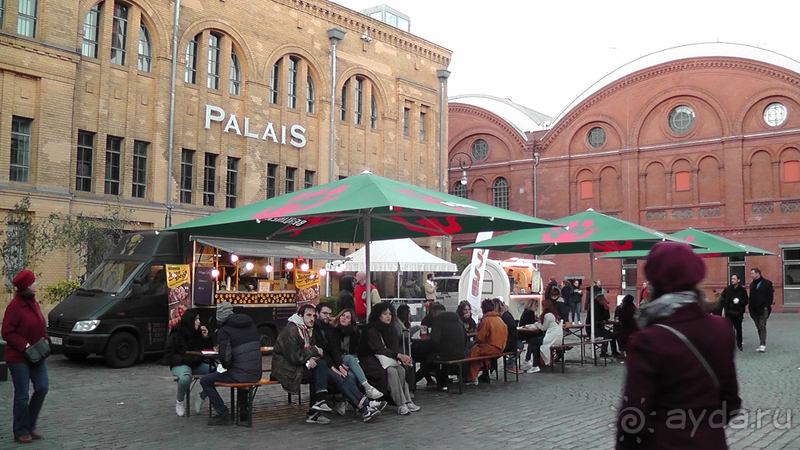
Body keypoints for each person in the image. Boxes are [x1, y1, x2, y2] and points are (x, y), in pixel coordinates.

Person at [616, 242, 741, 449]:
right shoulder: (722, 329)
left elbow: (633, 417)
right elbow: (731, 403)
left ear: (654, 280)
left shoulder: (648, 340)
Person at [312, 303, 385, 422]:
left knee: (347, 376)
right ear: (317, 313)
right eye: (325, 313)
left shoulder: (329, 328)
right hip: (319, 365)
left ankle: (362, 408)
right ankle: (366, 405)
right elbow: (320, 351)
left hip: (330, 363)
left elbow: (333, 349)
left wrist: (339, 365)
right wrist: (334, 366)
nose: (327, 316)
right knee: (343, 378)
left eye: (329, 314)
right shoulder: (314, 328)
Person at [2, 270, 49, 444]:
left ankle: (30, 424)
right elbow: (6, 332)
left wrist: (46, 339)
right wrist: (25, 345)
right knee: (22, 395)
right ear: (26, 287)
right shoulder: (14, 307)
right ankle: (21, 431)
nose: (36, 285)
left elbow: (40, 324)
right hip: (18, 357)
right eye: (33, 283)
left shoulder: (33, 303)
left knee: (42, 387)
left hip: (37, 355)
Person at [199, 302, 262, 426]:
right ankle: (243, 409)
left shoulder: (224, 330)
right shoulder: (250, 324)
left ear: (220, 317)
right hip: (256, 373)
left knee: (205, 380)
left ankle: (223, 414)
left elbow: (225, 360)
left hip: (240, 374)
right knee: (243, 370)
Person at [272, 304, 333, 424]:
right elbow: (296, 356)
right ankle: (316, 409)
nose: (312, 319)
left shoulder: (307, 330)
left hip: (297, 367)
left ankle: (317, 406)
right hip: (284, 370)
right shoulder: (291, 330)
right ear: (300, 316)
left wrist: (311, 358)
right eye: (308, 315)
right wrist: (314, 351)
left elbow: (307, 351)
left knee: (320, 366)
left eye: (314, 316)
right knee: (320, 371)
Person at [357, 302, 420, 415]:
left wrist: (400, 358)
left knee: (401, 369)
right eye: (385, 314)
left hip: (386, 358)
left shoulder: (391, 329)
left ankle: (407, 400)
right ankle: (400, 403)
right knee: (391, 371)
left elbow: (394, 348)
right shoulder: (371, 329)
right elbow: (378, 349)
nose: (388, 316)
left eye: (390, 314)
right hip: (370, 361)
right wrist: (398, 356)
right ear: (378, 315)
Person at [163, 309, 212, 417]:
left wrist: (206, 337)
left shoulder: (197, 333)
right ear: (190, 320)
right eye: (196, 319)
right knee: (185, 377)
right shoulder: (176, 334)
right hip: (180, 364)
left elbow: (206, 351)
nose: (199, 322)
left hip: (196, 363)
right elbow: (169, 356)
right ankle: (180, 400)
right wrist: (187, 359)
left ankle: (201, 396)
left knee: (216, 373)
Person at [329, 308, 383, 401]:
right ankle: (367, 387)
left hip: (348, 360)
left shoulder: (354, 333)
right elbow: (333, 350)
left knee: (351, 375)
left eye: (348, 317)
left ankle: (345, 402)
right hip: (335, 359)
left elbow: (354, 351)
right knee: (349, 358)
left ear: (350, 321)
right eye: (342, 315)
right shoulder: (333, 330)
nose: (344, 318)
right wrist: (340, 363)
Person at [415, 303, 467, 387]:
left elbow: (434, 340)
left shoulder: (438, 321)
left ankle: (413, 381)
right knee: (432, 357)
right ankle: (442, 380)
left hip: (445, 354)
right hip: (461, 353)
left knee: (427, 359)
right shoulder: (458, 320)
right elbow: (465, 337)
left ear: (435, 313)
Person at [464, 299, 507, 385]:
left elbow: (480, 338)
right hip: (500, 347)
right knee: (479, 352)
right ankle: (482, 374)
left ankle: (470, 377)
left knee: (473, 352)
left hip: (492, 347)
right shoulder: (499, 319)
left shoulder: (486, 320)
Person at [520, 296, 563, 373]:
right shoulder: (553, 314)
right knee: (534, 342)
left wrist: (537, 324)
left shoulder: (547, 315)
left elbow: (543, 328)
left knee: (533, 341)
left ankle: (532, 363)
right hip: (557, 337)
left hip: (551, 338)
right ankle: (534, 364)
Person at [718, 274, 749, 351]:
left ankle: (739, 344)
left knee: (738, 328)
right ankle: (729, 344)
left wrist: (739, 302)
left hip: (738, 312)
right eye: (732, 279)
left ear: (738, 280)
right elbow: (722, 298)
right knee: (729, 329)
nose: (732, 280)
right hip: (729, 312)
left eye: (734, 279)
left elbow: (746, 301)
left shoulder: (742, 290)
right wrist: (727, 304)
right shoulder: (727, 289)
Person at [748, 268, 773, 353]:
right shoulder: (752, 284)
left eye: (753, 273)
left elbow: (770, 295)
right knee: (758, 326)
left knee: (762, 325)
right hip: (754, 309)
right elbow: (751, 296)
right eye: (751, 273)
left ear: (758, 273)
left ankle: (763, 344)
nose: (751, 275)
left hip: (763, 308)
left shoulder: (767, 283)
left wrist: (766, 305)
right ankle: (761, 342)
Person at [494, 299, 522, 373]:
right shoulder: (506, 315)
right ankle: (510, 364)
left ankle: (510, 364)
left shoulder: (503, 317)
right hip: (510, 342)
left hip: (508, 343)